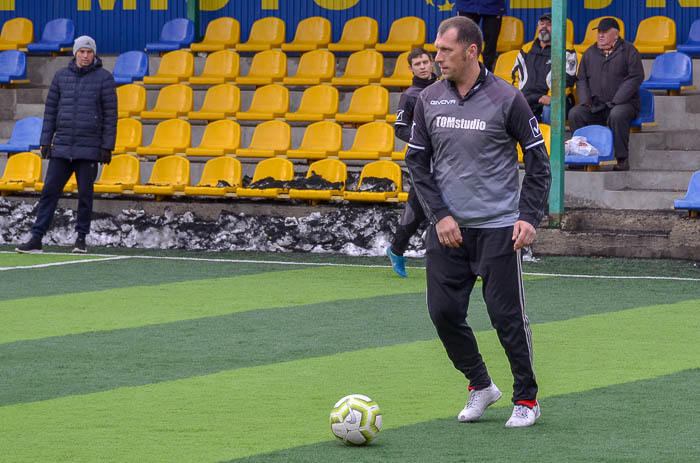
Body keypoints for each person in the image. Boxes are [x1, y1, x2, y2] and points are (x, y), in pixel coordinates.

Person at [405, 16, 551, 427]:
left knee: (506, 317)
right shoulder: (428, 98)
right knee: (443, 313)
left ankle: (527, 398)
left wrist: (528, 216)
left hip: (499, 228)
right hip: (448, 230)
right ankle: (481, 385)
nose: (437, 58)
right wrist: (440, 216)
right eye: (436, 50)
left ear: (472, 51)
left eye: (445, 51)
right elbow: (416, 162)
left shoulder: (509, 98)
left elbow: (539, 163)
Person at [15, 35, 117, 254]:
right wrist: (45, 141)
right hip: (61, 147)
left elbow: (110, 116)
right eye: (82, 51)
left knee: (85, 196)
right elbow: (50, 111)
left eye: (89, 52)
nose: (85, 56)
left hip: (89, 149)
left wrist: (107, 146)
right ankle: (36, 238)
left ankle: (81, 239)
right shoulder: (60, 77)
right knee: (49, 193)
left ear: (94, 54)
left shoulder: (104, 78)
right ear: (75, 53)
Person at [386, 48, 437, 277]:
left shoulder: (446, 88)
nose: (423, 66)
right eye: (418, 64)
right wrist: (423, 140)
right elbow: (400, 128)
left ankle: (396, 249)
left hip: (447, 157)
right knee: (418, 209)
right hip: (422, 161)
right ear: (411, 69)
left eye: (426, 62)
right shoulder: (410, 95)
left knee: (451, 205)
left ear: (432, 62)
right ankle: (396, 250)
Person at [568, 17, 644, 171]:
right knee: (576, 113)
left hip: (624, 104)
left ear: (616, 35)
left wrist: (617, 100)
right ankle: (580, 157)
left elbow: (636, 77)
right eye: (599, 33)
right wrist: (585, 100)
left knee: (617, 115)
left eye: (604, 32)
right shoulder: (590, 53)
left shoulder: (629, 51)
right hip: (597, 105)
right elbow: (581, 79)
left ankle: (622, 158)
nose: (600, 36)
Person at [511, 12, 578, 125]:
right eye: (542, 24)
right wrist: (518, 95)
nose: (544, 27)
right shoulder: (526, 49)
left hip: (552, 99)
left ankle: (550, 142)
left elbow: (568, 79)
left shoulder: (566, 49)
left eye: (549, 24)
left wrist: (552, 96)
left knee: (550, 108)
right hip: (528, 98)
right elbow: (515, 76)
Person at [456, 0, 506, 72]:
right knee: (465, 40)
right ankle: (464, 70)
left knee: (491, 41)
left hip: (493, 6)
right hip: (466, 5)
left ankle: (487, 72)